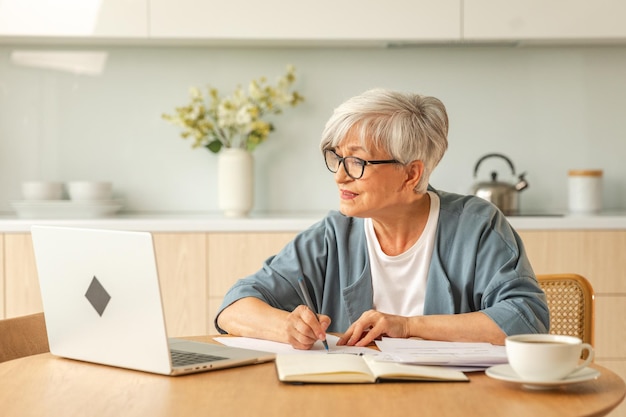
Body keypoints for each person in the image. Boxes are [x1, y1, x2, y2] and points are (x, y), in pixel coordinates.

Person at [215, 88, 549, 350]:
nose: (340, 177)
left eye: (357, 162)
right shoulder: (334, 236)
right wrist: (286, 327)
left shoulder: (476, 226)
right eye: (337, 158)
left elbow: (526, 319)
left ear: (410, 174)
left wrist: (407, 327)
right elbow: (235, 306)